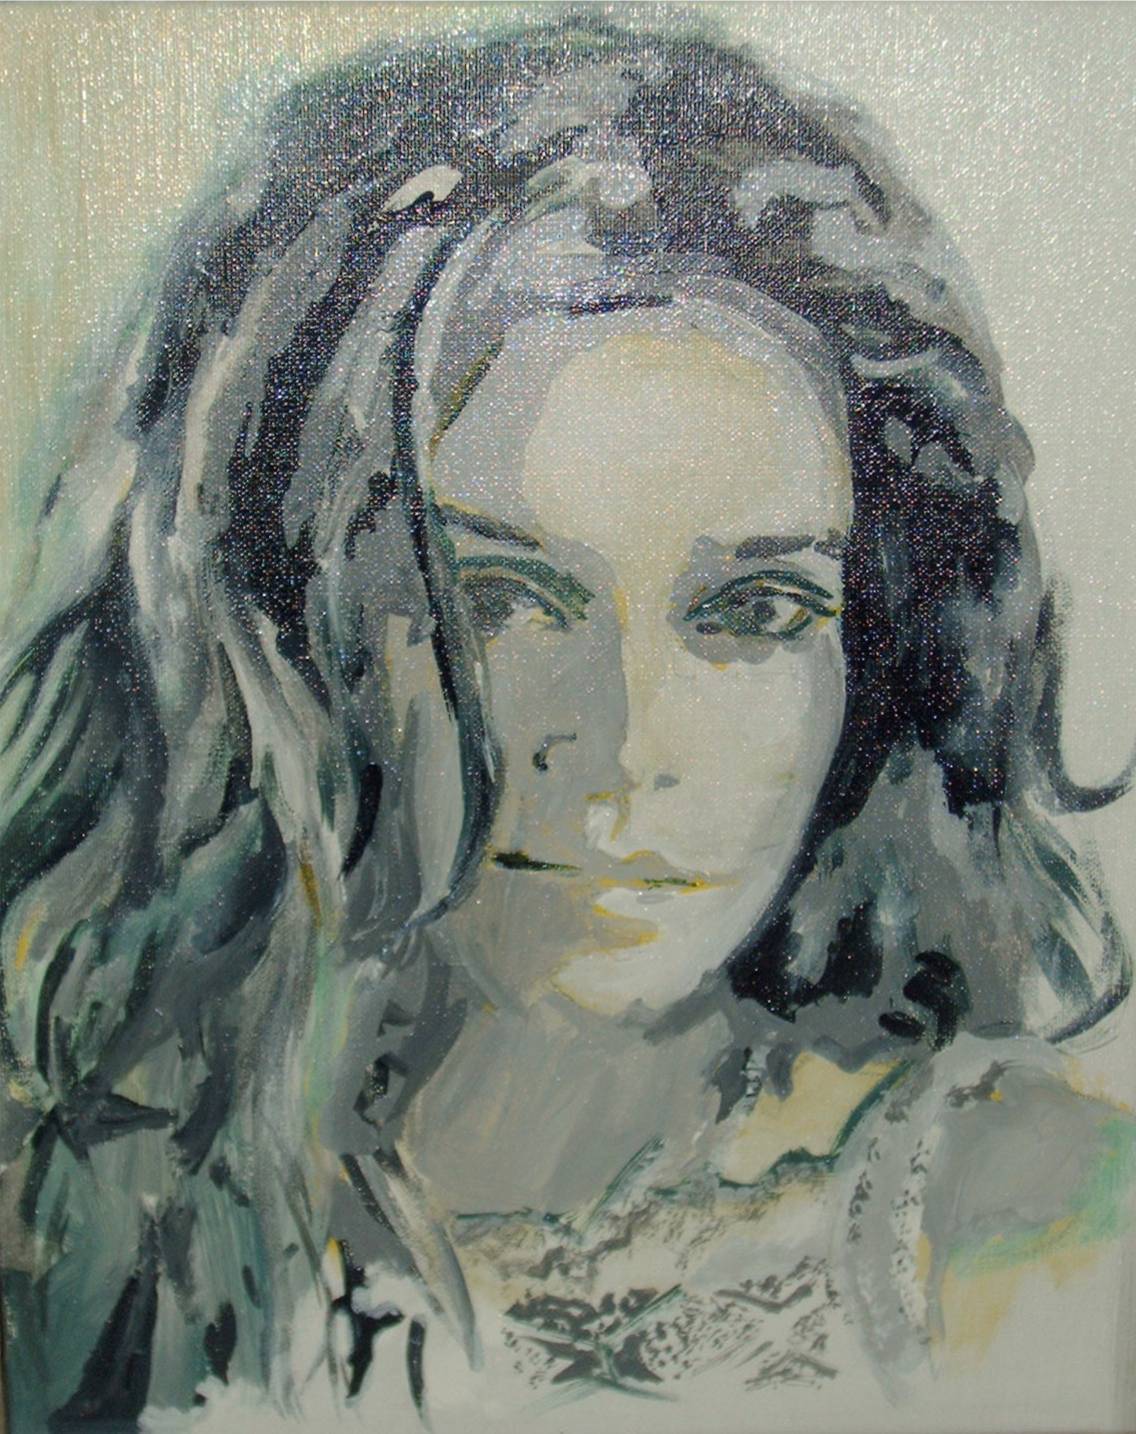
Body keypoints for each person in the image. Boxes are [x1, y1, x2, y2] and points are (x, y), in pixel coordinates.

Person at [1, 12, 1133, 1431]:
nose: (627, 747)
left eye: (757, 609)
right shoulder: (89, 1211)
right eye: (503, 599)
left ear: (882, 650)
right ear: (292, 614)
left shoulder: (1022, 1218)